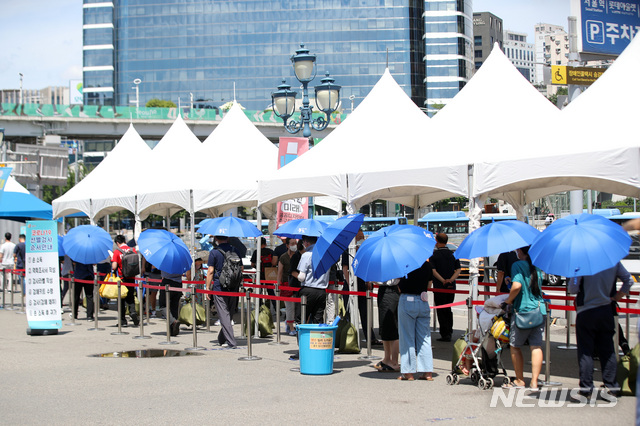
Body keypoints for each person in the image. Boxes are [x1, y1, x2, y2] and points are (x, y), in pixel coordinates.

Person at [568, 261, 632, 400]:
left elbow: (572, 289)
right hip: (606, 309)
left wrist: (574, 275)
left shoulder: (580, 263)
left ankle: (586, 389)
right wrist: (616, 297)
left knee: (586, 351)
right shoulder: (613, 261)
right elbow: (628, 280)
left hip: (586, 311)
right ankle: (612, 386)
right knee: (608, 350)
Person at [502, 246, 545, 390]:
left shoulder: (517, 265)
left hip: (522, 311)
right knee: (536, 346)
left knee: (515, 346)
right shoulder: (537, 266)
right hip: (539, 310)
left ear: (521, 252)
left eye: (518, 251)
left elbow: (517, 286)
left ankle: (520, 380)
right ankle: (534, 381)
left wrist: (508, 301)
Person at [341, 229, 380, 345]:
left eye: (362, 236)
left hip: (362, 286)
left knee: (365, 314)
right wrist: (350, 283)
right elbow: (345, 269)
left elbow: (368, 268)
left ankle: (370, 337)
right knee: (349, 314)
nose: (361, 238)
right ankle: (349, 338)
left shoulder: (364, 251)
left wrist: (368, 281)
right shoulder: (347, 251)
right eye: (359, 236)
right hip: (350, 287)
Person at [397, 260, 434, 381]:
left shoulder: (405, 264)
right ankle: (427, 371)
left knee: (407, 337)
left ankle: (408, 372)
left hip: (407, 300)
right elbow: (429, 285)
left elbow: (399, 286)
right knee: (425, 338)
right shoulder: (427, 266)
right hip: (423, 301)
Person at [206, 235, 241, 348]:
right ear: (228, 238)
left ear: (216, 239)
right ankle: (222, 338)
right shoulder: (235, 250)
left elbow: (210, 271)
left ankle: (231, 341)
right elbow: (241, 269)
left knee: (223, 314)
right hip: (234, 286)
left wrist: (207, 288)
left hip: (219, 286)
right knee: (229, 313)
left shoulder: (214, 252)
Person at [429, 233, 461, 342]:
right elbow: (458, 270)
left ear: (437, 241)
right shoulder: (453, 254)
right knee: (448, 308)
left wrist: (442, 280)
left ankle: (444, 333)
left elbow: (433, 271)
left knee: (441, 309)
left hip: (439, 286)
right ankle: (449, 331)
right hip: (451, 286)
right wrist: (450, 279)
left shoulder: (434, 256)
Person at [292, 235, 330, 324]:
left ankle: (303, 338)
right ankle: (316, 338)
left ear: (306, 242)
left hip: (308, 290)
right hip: (322, 291)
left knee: (301, 319)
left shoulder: (306, 255)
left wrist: (296, 276)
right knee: (318, 320)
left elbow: (301, 277)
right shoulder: (325, 255)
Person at [111, 235, 139, 327]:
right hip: (132, 277)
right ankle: (133, 312)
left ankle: (122, 320)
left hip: (122, 279)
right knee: (130, 297)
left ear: (117, 243)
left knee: (121, 299)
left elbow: (114, 266)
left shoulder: (116, 252)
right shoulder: (132, 250)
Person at [374, 278, 401, 372]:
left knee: (393, 328)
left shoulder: (394, 266)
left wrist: (373, 280)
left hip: (390, 291)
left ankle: (394, 362)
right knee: (384, 326)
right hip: (384, 291)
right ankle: (386, 358)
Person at [277, 238, 297, 335]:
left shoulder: (299, 255)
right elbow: (280, 272)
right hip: (286, 284)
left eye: (296, 243)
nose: (294, 245)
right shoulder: (283, 257)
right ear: (288, 245)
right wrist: (278, 284)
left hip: (297, 284)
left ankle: (292, 323)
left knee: (297, 307)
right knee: (289, 307)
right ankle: (291, 327)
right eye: (292, 243)